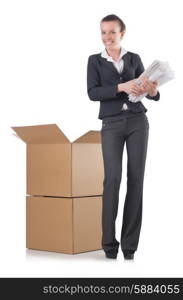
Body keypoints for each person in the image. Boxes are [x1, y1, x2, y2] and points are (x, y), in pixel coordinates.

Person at [87, 14, 160, 260]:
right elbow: (93, 92)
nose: (107, 37)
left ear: (122, 34)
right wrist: (121, 87)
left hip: (138, 121)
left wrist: (151, 90)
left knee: (136, 179)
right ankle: (109, 244)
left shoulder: (134, 58)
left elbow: (148, 90)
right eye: (103, 32)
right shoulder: (94, 61)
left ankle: (130, 247)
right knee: (112, 180)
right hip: (111, 124)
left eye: (112, 32)